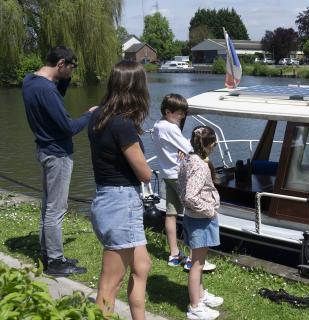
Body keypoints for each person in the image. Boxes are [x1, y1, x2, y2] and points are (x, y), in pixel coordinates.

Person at [22, 45, 97, 276]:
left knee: (48, 207)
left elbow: (54, 103)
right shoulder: (47, 90)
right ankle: (55, 262)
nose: (72, 72)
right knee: (57, 209)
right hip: (58, 155)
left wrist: (63, 79)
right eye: (71, 68)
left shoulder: (30, 82)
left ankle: (48, 253)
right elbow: (68, 127)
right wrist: (90, 114)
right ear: (60, 64)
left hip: (44, 150)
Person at [88, 60, 152, 319]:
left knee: (142, 266)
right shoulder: (122, 124)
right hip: (121, 204)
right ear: (136, 89)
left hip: (107, 198)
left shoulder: (98, 116)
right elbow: (144, 173)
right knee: (109, 283)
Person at [151, 94, 215, 271]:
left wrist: (181, 148)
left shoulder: (158, 125)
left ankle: (174, 254)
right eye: (179, 114)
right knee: (192, 213)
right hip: (179, 175)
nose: (181, 117)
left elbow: (177, 147)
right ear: (167, 111)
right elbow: (190, 149)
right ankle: (193, 258)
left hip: (167, 174)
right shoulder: (170, 128)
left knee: (171, 213)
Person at [178, 126, 224, 320]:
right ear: (210, 145)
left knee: (199, 261)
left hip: (192, 217)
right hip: (200, 219)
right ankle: (195, 307)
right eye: (214, 144)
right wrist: (210, 210)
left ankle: (201, 295)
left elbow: (182, 189)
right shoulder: (200, 165)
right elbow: (190, 196)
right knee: (196, 264)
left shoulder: (186, 159)